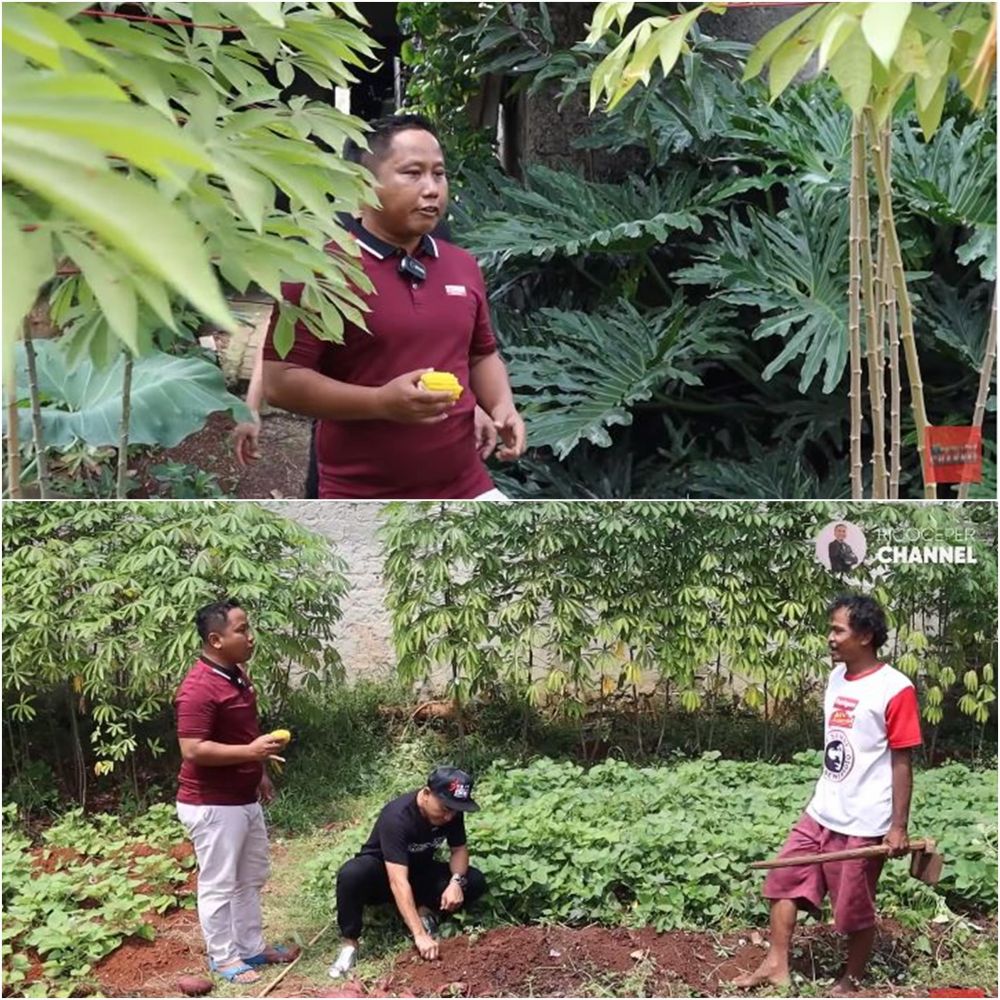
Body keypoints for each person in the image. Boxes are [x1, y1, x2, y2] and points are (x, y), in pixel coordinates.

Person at [261, 113, 526, 499]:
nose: (432, 189)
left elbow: (481, 354)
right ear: (363, 185)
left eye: (439, 173)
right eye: (413, 173)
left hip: (466, 486)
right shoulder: (321, 271)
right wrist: (381, 402)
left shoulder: (462, 265)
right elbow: (280, 381)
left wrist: (502, 407)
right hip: (362, 494)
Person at [732, 594, 922, 995]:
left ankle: (850, 980)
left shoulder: (895, 688)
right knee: (784, 878)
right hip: (822, 811)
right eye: (831, 629)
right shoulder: (836, 678)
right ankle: (776, 965)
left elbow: (901, 760)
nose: (830, 638)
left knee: (853, 908)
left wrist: (897, 827)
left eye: (838, 630)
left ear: (866, 636)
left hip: (864, 819)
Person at [174, 599, 300, 986]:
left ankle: (250, 947)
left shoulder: (235, 675)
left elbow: (240, 734)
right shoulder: (198, 688)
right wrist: (251, 753)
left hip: (242, 798)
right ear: (216, 639)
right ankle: (223, 957)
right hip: (212, 805)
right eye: (241, 630)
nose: (250, 636)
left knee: (250, 877)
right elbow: (192, 749)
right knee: (219, 883)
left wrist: (258, 770)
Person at [233, 339, 500, 494]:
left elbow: (437, 344)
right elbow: (277, 340)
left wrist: (468, 403)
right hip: (346, 428)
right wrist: (251, 408)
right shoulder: (326, 255)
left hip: (431, 448)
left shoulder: (438, 251)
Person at [328, 766, 488, 979]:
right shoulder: (397, 817)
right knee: (351, 875)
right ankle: (350, 943)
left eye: (455, 810)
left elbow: (459, 849)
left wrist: (456, 882)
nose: (449, 816)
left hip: (419, 871)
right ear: (426, 794)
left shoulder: (451, 813)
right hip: (383, 876)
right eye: (445, 808)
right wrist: (420, 936)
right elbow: (398, 881)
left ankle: (424, 909)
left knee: (474, 880)